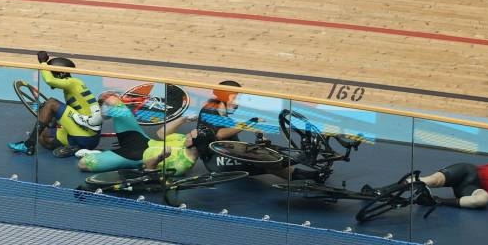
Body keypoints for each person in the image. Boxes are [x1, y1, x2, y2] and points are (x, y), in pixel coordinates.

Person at [192, 81, 325, 182]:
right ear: (225, 98)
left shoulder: (221, 112)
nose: (237, 104)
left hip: (225, 155)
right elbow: (220, 134)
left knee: (264, 156)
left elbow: (232, 134)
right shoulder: (210, 111)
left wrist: (259, 139)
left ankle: (310, 175)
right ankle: (302, 162)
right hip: (217, 161)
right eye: (235, 99)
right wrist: (249, 123)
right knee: (264, 161)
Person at [76, 91, 199, 175]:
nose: (187, 135)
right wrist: (183, 119)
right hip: (140, 139)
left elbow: (149, 169)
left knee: (84, 164)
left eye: (190, 136)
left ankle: (100, 154)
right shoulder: (183, 140)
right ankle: (95, 120)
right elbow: (161, 134)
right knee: (111, 100)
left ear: (195, 143)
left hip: (134, 156)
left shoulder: (181, 165)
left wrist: (160, 157)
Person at [8, 51, 101, 157]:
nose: (51, 75)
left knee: (51, 103)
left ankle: (28, 144)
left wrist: (43, 63)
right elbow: (72, 116)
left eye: (53, 73)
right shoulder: (71, 90)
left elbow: (49, 80)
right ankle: (77, 148)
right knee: (44, 137)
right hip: (85, 137)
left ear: (61, 73)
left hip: (87, 134)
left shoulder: (74, 82)